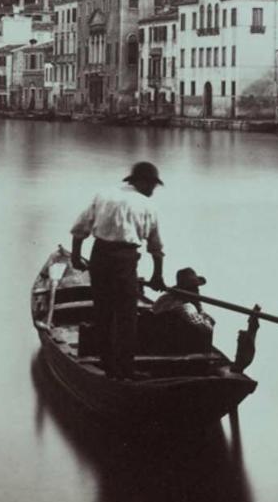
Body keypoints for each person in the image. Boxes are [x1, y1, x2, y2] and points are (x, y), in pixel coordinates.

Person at [70, 160, 165, 378]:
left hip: (99, 256)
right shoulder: (147, 205)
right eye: (152, 185)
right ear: (142, 182)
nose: (153, 190)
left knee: (103, 311)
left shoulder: (103, 195)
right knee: (126, 315)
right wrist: (157, 275)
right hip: (124, 259)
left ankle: (108, 367)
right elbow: (155, 245)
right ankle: (125, 370)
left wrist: (76, 257)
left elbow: (79, 229)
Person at [153, 268, 217, 353]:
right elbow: (205, 328)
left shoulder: (166, 297)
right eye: (195, 287)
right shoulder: (186, 307)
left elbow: (155, 309)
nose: (198, 290)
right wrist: (209, 319)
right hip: (177, 346)